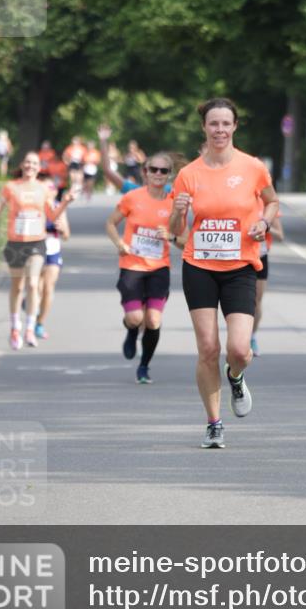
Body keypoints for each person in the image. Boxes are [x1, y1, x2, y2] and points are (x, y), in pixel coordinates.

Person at [169, 97, 279, 449]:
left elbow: (272, 201)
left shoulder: (253, 168)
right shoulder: (188, 175)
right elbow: (174, 227)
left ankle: (236, 376)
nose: (219, 130)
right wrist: (178, 210)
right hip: (199, 265)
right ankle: (214, 423)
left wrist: (264, 220)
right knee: (207, 348)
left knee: (238, 349)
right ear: (204, 127)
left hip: (240, 267)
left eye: (225, 124)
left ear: (234, 127)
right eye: (213, 124)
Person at [0, 152, 76, 350]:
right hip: (15, 243)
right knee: (17, 286)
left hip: (37, 243)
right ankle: (15, 327)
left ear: (39, 168)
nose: (30, 166)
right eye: (27, 162)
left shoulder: (43, 189)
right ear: (22, 165)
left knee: (33, 284)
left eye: (34, 163)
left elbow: (52, 214)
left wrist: (66, 201)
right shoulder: (11, 187)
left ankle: (30, 328)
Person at [106, 153, 181, 383]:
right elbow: (110, 223)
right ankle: (130, 330)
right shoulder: (132, 197)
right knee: (136, 318)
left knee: (153, 321)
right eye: (153, 169)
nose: (158, 174)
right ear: (145, 172)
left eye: (163, 171)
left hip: (159, 269)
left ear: (169, 175)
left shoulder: (174, 203)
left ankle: (144, 366)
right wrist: (119, 243)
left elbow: (185, 240)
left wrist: (169, 235)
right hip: (132, 266)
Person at [35, 174, 70, 341]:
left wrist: (62, 228)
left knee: (48, 288)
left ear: (55, 192)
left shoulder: (59, 207)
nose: (47, 191)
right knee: (37, 288)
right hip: (35, 251)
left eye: (50, 188)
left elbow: (67, 236)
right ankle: (30, 308)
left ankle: (39, 323)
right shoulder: (34, 207)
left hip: (53, 252)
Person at [251, 207, 284, 356]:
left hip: (260, 256)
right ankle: (239, 336)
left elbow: (280, 236)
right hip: (241, 257)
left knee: (257, 301)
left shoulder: (268, 206)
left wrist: (265, 226)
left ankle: (252, 337)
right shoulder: (239, 197)